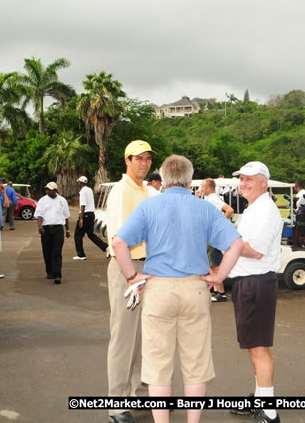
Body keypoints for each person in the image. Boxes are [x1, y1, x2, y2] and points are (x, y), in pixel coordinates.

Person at [112, 155, 245, 423]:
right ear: (188, 178)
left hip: (158, 289)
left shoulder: (149, 206)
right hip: (194, 289)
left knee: (158, 366)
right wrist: (219, 273)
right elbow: (237, 244)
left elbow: (118, 243)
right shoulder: (204, 208)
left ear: (163, 177)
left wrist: (131, 277)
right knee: (195, 364)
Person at [228, 161, 283, 423]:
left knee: (258, 348)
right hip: (249, 281)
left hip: (256, 282)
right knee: (254, 347)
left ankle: (269, 412)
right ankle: (261, 399)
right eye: (242, 179)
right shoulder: (255, 208)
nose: (244, 183)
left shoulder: (265, 210)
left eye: (250, 179)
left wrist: (226, 240)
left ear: (264, 182)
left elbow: (255, 250)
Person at [105, 139, 154, 423]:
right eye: (139, 159)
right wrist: (132, 276)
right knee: (124, 337)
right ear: (127, 160)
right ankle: (116, 404)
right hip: (127, 268)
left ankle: (141, 392)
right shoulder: (122, 191)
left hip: (145, 266)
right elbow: (119, 239)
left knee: (143, 335)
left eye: (147, 158)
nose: (144, 163)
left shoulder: (146, 190)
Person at [200, 177, 234, 302]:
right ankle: (217, 290)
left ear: (208, 187)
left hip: (212, 235)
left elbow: (229, 210)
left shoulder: (213, 198)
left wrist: (220, 225)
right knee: (212, 263)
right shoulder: (208, 198)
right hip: (209, 234)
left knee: (214, 263)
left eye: (202, 186)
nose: (201, 189)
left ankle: (221, 293)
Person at [35, 181, 70, 283]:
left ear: (55, 190)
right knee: (47, 251)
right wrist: (40, 226)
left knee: (57, 251)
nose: (48, 191)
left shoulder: (62, 200)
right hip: (46, 229)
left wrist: (67, 229)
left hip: (58, 228)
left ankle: (57, 274)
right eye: (47, 189)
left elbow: (66, 216)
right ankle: (49, 271)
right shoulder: (42, 200)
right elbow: (39, 214)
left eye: (50, 189)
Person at [73, 176, 107, 260]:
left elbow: (83, 205)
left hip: (85, 215)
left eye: (79, 182)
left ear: (80, 183)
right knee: (91, 235)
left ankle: (81, 255)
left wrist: (81, 218)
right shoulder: (89, 190)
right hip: (91, 214)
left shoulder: (82, 191)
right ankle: (106, 247)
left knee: (77, 235)